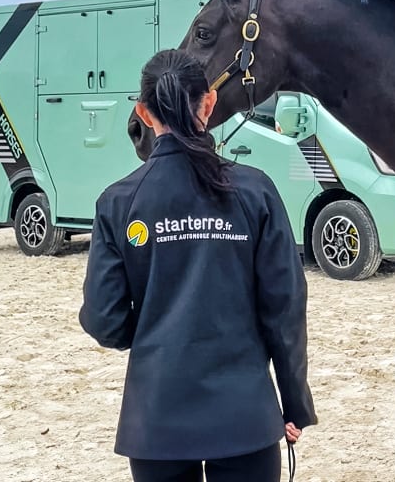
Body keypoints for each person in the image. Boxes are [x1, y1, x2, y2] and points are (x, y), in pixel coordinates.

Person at [79, 49, 317, 482]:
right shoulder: (255, 191)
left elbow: (104, 320)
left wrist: (157, 331)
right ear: (208, 104)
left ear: (144, 113)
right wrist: (293, 403)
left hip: (156, 420)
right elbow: (285, 311)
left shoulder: (117, 202)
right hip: (246, 415)